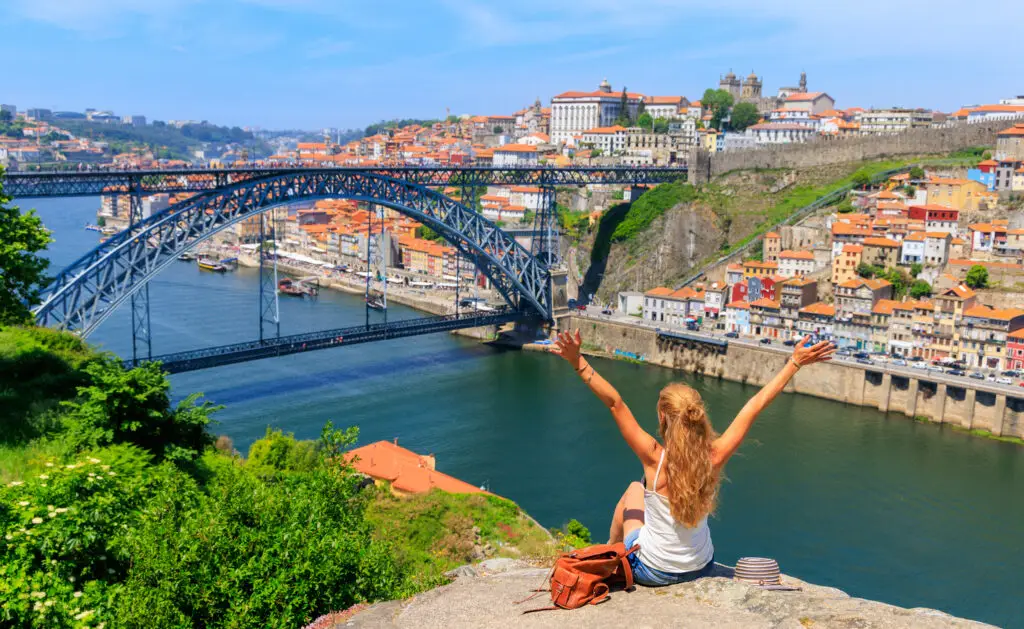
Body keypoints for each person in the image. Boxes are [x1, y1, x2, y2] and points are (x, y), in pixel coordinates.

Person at [550, 330, 835, 586]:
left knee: (634, 490)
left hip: (653, 571)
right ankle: (611, 551)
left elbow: (615, 403)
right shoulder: (715, 456)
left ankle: (609, 552)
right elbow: (755, 406)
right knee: (641, 495)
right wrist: (794, 363)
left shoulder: (654, 458)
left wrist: (577, 361)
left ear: (663, 417)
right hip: (701, 567)